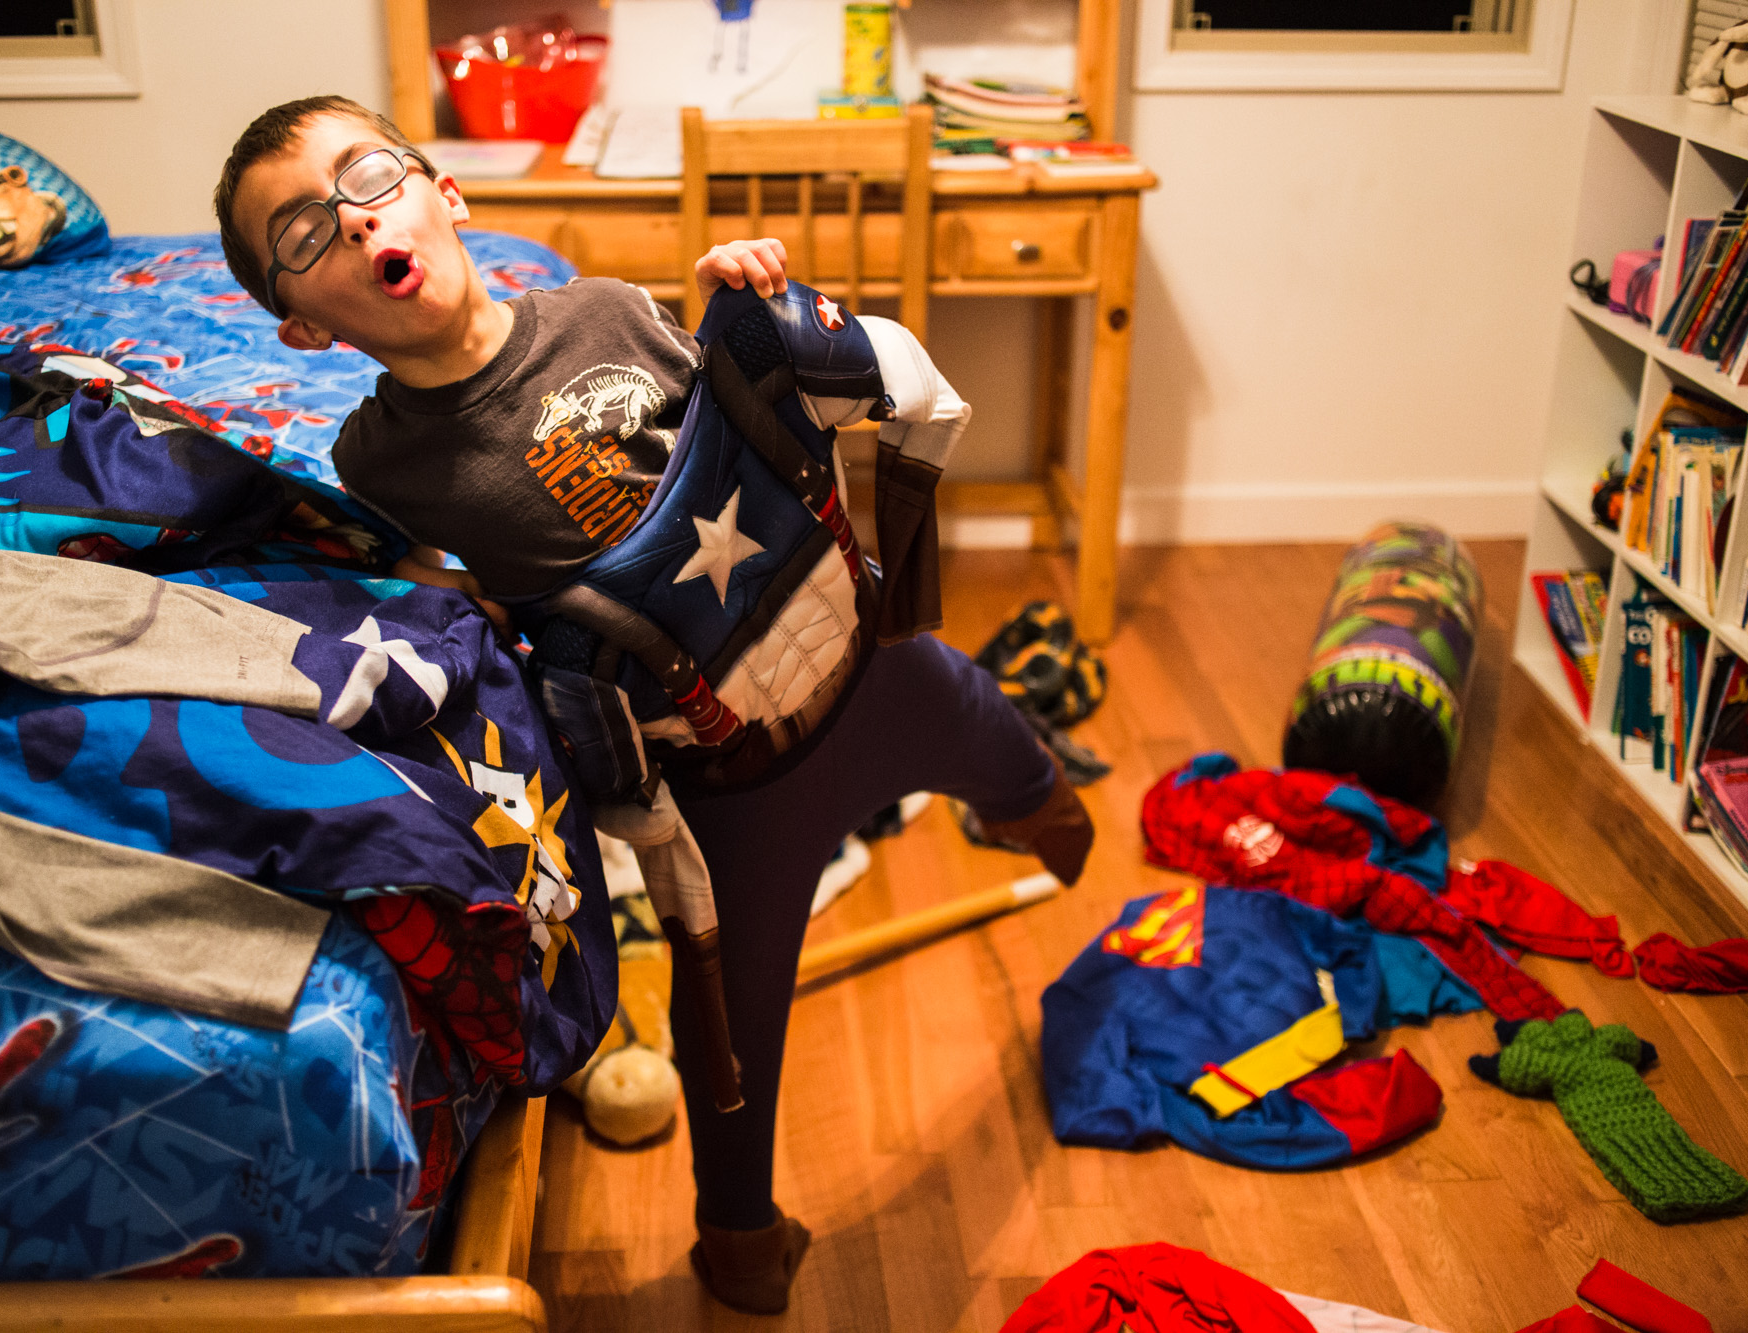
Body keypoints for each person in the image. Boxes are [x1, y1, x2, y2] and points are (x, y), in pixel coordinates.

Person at [215, 95, 1093, 1314]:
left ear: (446, 195)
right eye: (302, 235)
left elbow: (756, 413)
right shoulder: (379, 464)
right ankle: (739, 1239)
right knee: (724, 1032)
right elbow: (436, 605)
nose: (355, 222)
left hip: (871, 666)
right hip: (730, 783)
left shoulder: (610, 308)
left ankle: (1044, 817)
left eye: (369, 177)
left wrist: (739, 291)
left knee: (1007, 750)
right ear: (300, 324)